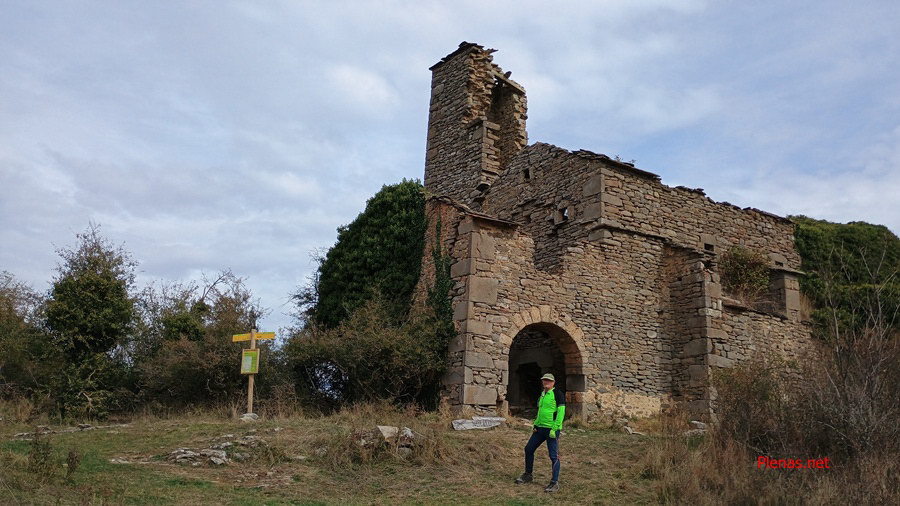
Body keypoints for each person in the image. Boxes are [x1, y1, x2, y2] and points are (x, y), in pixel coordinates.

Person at [514, 372, 565, 493]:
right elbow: (540, 411)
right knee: (528, 449)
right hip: (540, 428)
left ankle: (554, 483)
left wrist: (555, 428)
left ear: (553, 382)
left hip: (551, 429)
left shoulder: (557, 394)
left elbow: (561, 412)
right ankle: (528, 475)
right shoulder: (542, 394)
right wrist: (535, 424)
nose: (546, 382)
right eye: (544, 380)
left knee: (553, 456)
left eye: (549, 380)